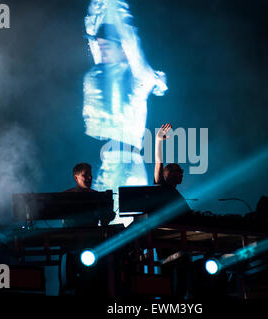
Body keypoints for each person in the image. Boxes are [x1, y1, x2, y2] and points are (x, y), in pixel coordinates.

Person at [83, 0, 167, 226]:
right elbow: (98, 50)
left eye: (107, 47)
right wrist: (94, 17)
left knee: (119, 223)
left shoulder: (138, 76)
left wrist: (117, 8)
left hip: (126, 162)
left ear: (122, 49)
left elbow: (131, 43)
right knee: (101, 224)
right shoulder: (110, 74)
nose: (101, 51)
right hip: (112, 159)